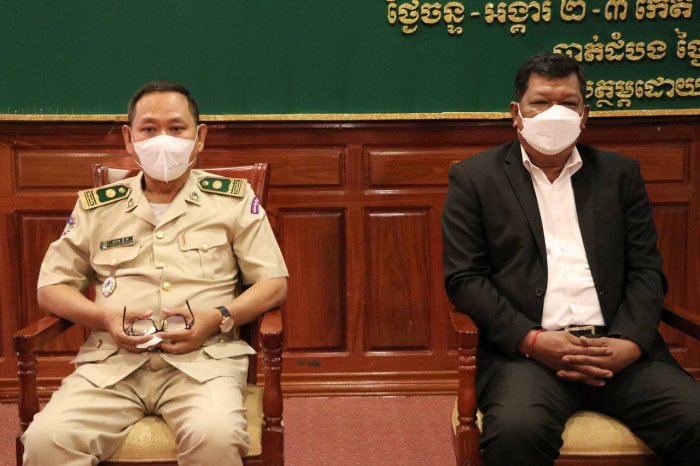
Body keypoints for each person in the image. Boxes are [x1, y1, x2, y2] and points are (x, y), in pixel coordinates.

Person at [442, 52, 700, 465]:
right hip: (528, 356)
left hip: (617, 349)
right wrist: (531, 340)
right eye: (541, 102)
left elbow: (646, 270)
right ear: (516, 113)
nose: (554, 113)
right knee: (516, 434)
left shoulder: (620, 174)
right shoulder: (476, 178)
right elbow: (465, 278)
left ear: (585, 115)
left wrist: (630, 343)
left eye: (568, 103)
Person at [21, 81, 288, 466]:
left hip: (204, 361)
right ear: (129, 139)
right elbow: (51, 288)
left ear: (200, 138)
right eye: (149, 129)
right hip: (113, 365)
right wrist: (103, 318)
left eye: (177, 128)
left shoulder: (232, 200)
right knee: (46, 441)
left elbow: (273, 283)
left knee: (217, 437)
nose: (163, 139)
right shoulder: (97, 208)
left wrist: (217, 318)